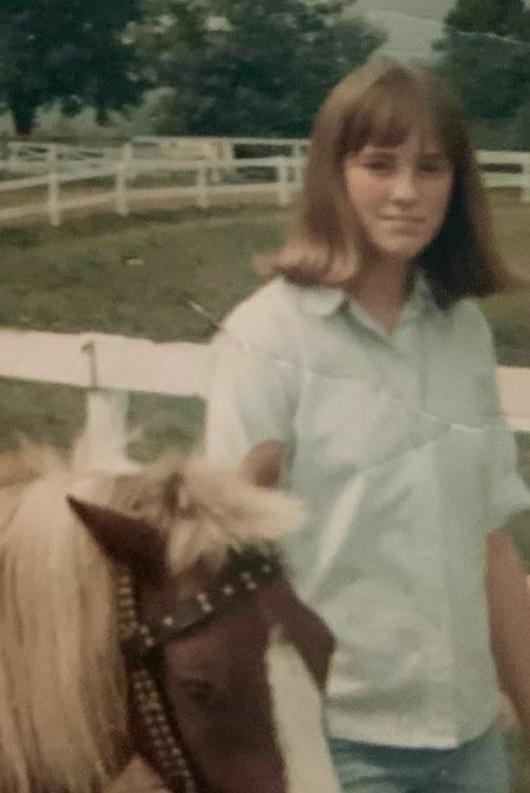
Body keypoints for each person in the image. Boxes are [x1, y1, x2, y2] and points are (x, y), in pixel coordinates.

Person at [204, 60, 530, 792]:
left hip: (470, 740)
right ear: (332, 174)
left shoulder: (463, 335)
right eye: (378, 165)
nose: (406, 192)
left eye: (430, 167)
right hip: (336, 747)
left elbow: (488, 545)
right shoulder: (264, 340)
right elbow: (229, 572)